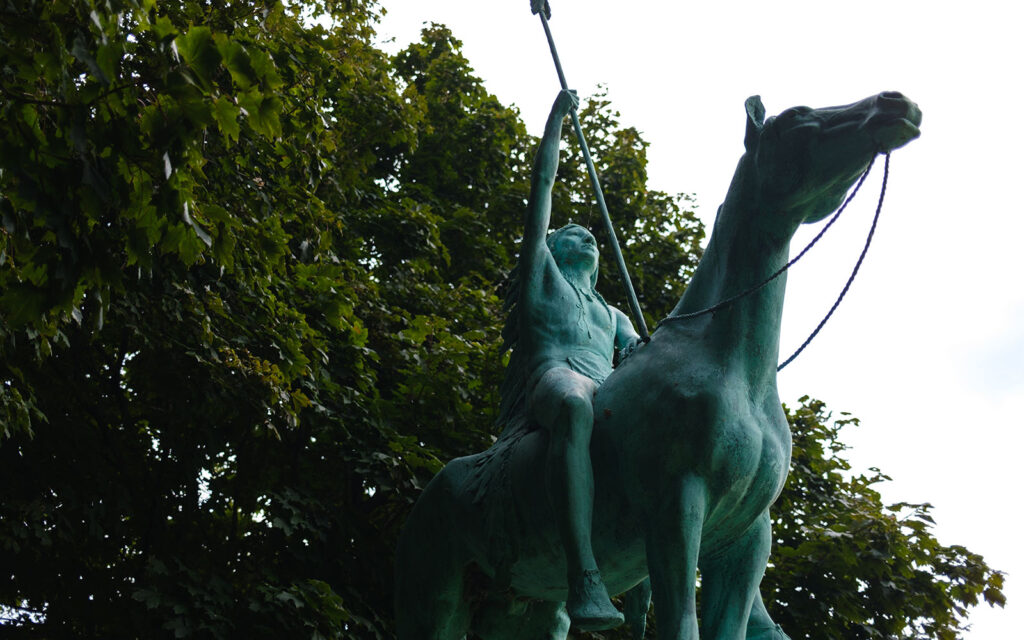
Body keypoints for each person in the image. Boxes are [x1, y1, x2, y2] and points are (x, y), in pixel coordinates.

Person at [497, 89, 641, 631]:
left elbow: (642, 355)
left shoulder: (613, 313)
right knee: (578, 407)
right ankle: (584, 573)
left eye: (593, 237)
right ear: (552, 247)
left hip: (610, 391)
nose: (586, 235)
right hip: (554, 378)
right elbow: (543, 188)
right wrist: (556, 121)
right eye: (570, 232)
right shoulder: (543, 277)